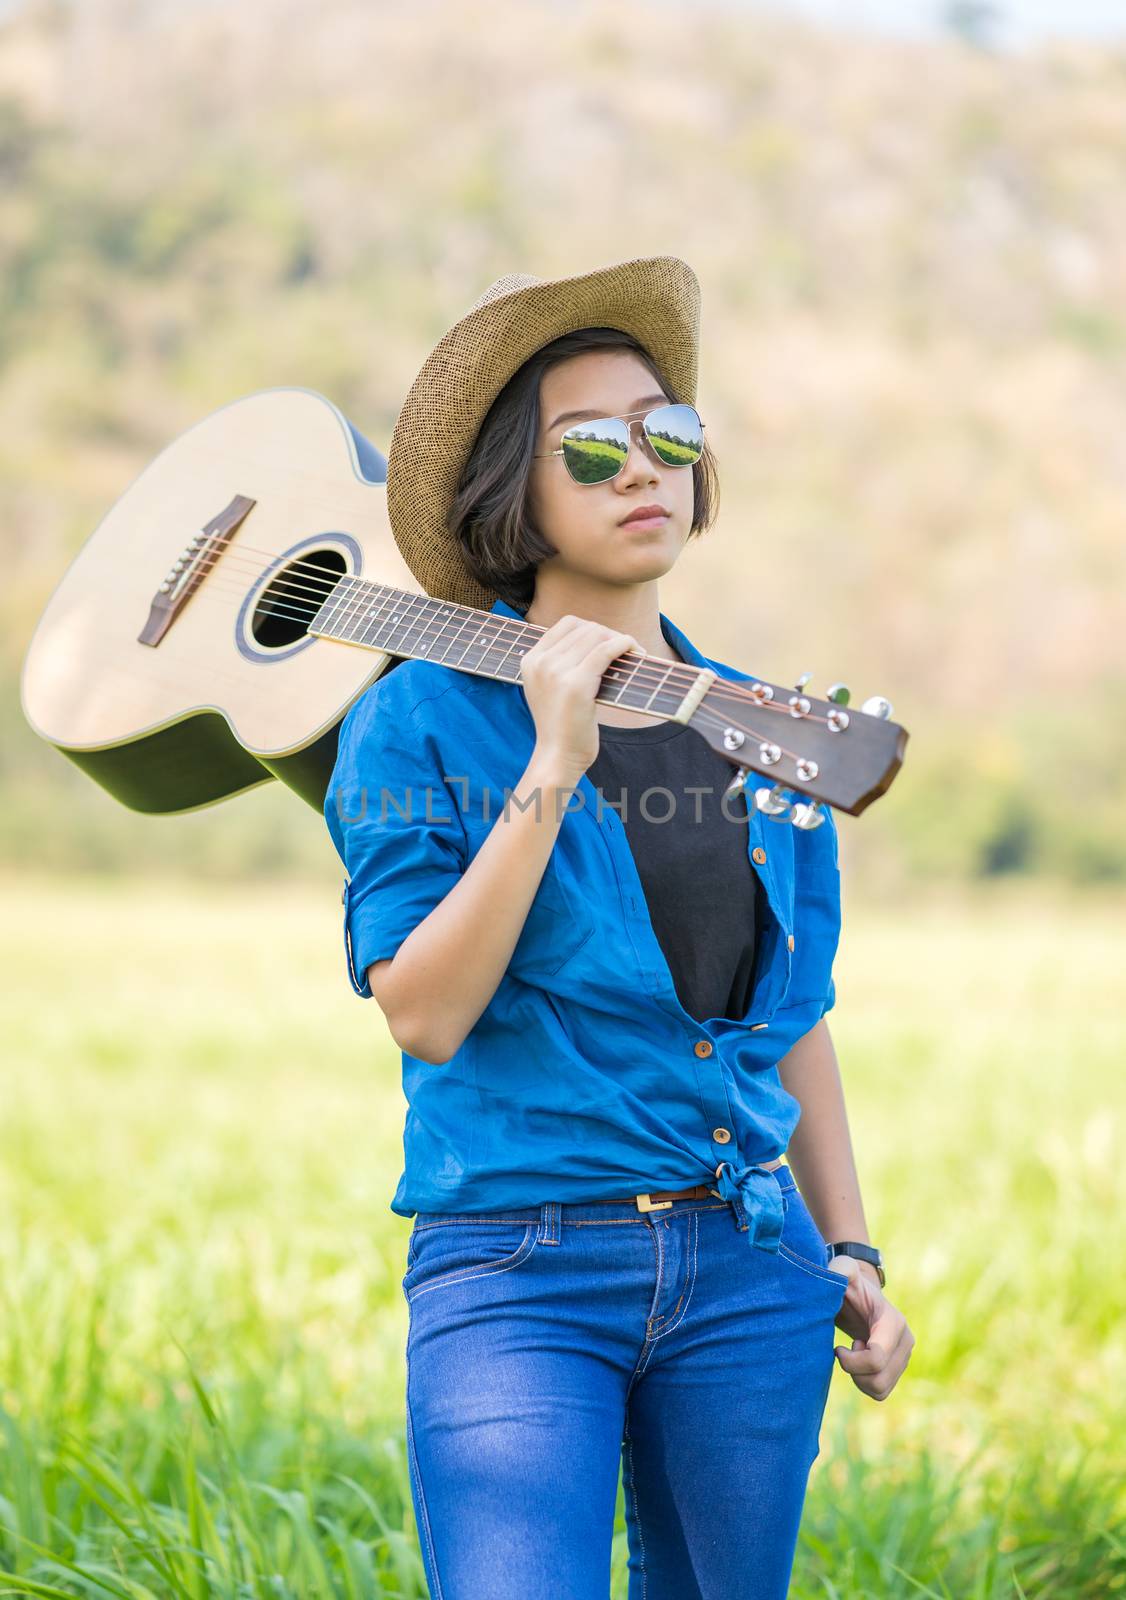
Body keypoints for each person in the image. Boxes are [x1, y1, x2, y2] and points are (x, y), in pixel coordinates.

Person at [324, 255, 914, 1600]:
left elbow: (794, 1014)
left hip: (747, 1260)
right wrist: (550, 763)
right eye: (588, 447)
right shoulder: (416, 718)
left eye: (669, 435)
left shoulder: (766, 729)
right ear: (507, 494)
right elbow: (422, 1010)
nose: (640, 468)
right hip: (516, 1268)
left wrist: (851, 1247)